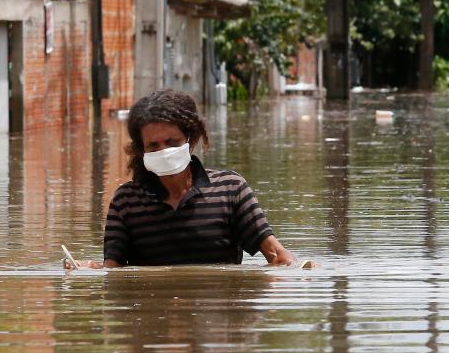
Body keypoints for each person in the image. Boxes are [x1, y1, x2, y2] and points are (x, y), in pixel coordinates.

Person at [69, 89, 294, 268]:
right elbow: (113, 271)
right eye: (153, 146)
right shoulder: (126, 202)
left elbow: (277, 255)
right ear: (141, 151)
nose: (164, 151)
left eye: (172, 142)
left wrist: (301, 270)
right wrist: (89, 268)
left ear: (191, 139)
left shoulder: (230, 189)